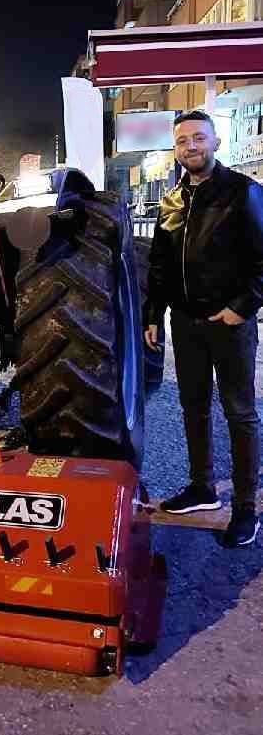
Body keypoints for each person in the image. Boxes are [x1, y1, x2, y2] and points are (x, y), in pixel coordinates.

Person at [144, 109, 263, 547]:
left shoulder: (243, 192)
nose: (190, 146)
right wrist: (153, 314)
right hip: (186, 323)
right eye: (182, 141)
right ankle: (202, 488)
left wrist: (241, 308)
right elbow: (160, 265)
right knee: (193, 408)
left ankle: (246, 507)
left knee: (239, 413)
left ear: (215, 143)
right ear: (175, 149)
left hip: (230, 324)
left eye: (198, 138)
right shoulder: (172, 201)